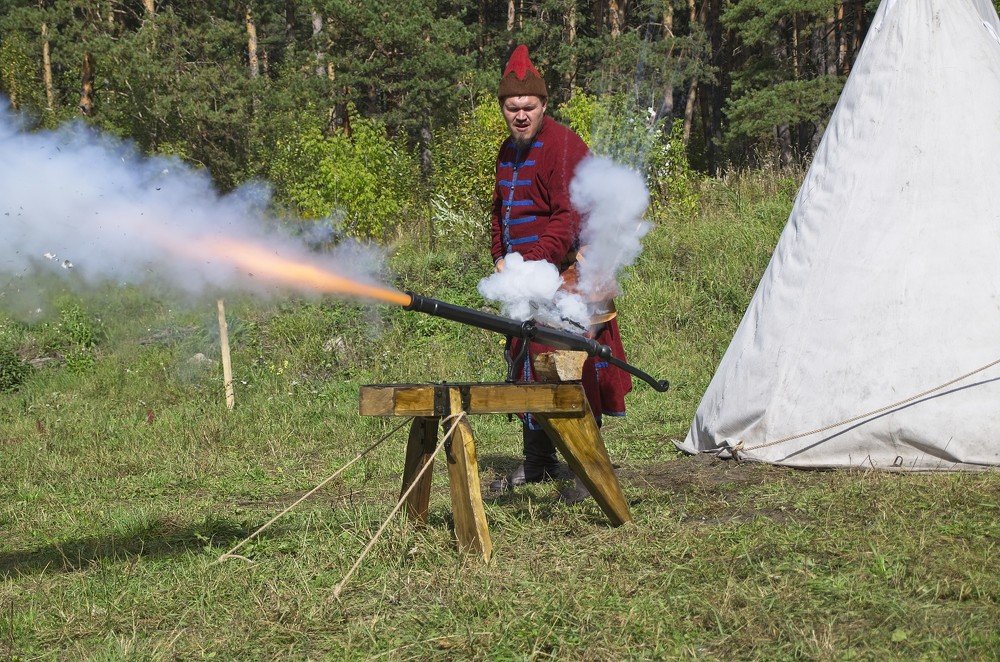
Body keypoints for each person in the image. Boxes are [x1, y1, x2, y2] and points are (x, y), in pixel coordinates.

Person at [488, 45, 632, 498]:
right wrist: (499, 255)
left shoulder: (563, 144)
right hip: (531, 280)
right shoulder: (506, 153)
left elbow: (567, 219)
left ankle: (585, 469)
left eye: (529, 106)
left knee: (571, 369)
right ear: (503, 110)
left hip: (572, 274)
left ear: (544, 105)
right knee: (530, 366)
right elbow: (500, 213)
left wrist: (530, 267)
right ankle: (539, 463)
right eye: (513, 108)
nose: (521, 115)